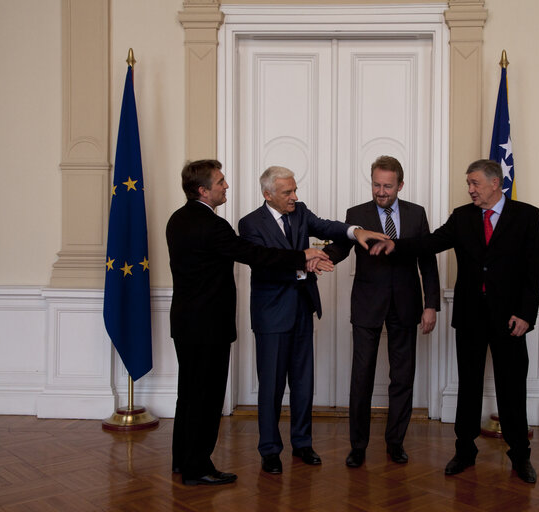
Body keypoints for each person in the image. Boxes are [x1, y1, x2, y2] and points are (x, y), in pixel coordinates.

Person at [370, 159, 539, 483]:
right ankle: (465, 451)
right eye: (468, 184)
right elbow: (430, 243)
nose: (470, 190)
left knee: (512, 387)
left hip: (510, 319)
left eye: (475, 183)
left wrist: (525, 315)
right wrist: (396, 244)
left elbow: (533, 271)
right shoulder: (463, 217)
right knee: (469, 386)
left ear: (495, 183)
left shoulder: (527, 216)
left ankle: (520, 455)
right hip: (470, 317)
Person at [165, 159, 332, 486]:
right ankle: (198, 468)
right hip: (209, 326)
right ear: (203, 190)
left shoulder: (177, 219)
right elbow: (255, 254)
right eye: (220, 181)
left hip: (185, 323)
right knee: (207, 398)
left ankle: (182, 459)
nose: (226, 186)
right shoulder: (212, 226)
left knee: (188, 395)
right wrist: (303, 256)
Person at [238, 165, 387, 475]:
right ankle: (269, 449)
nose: (295, 196)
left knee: (304, 383)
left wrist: (355, 231)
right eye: (287, 192)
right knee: (272, 386)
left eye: (295, 190)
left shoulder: (301, 212)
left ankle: (302, 443)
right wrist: (304, 263)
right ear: (268, 195)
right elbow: (264, 264)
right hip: (271, 316)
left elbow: (328, 226)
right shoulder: (250, 223)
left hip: (303, 310)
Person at [323, 155, 440, 468]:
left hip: (406, 304)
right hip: (367, 305)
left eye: (388, 186)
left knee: (402, 377)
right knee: (361, 377)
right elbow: (340, 246)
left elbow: (427, 260)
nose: (381, 191)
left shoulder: (416, 214)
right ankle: (357, 446)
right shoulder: (356, 214)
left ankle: (395, 443)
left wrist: (431, 304)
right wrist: (321, 258)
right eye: (376, 184)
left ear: (400, 185)